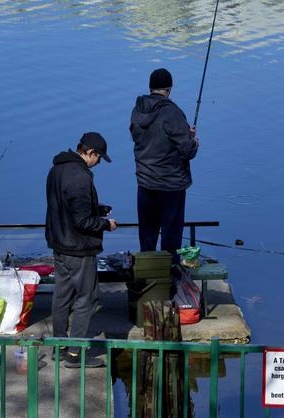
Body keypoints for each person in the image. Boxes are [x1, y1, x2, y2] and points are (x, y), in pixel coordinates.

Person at [45, 132, 117, 368]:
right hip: (79, 248)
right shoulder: (80, 177)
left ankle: (60, 347)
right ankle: (76, 355)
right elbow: (82, 221)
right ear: (89, 152)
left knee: (62, 295)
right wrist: (106, 224)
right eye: (98, 157)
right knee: (87, 297)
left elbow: (69, 206)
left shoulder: (57, 170)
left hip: (59, 243)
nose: (98, 163)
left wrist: (97, 208)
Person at [129, 68, 199, 262]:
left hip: (145, 182)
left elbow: (140, 137)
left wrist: (182, 133)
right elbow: (187, 151)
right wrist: (192, 140)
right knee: (171, 234)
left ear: (151, 88)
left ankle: (148, 275)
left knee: (148, 234)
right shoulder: (172, 112)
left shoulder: (138, 110)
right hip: (171, 185)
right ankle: (171, 278)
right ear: (168, 89)